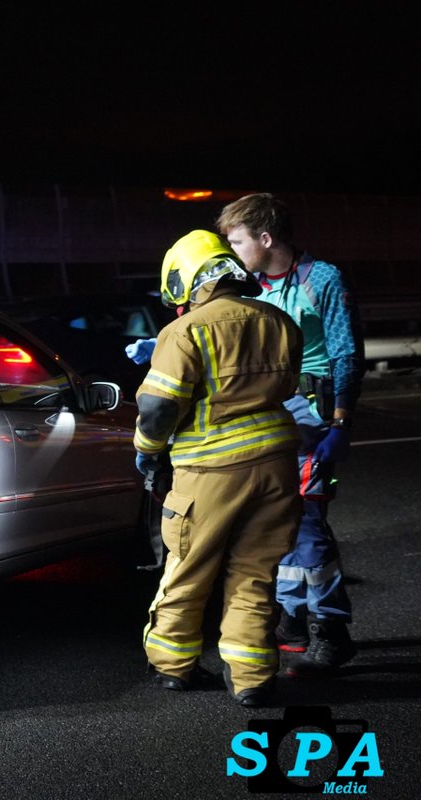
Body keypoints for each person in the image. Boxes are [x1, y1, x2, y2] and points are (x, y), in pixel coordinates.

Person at [135, 230, 302, 707]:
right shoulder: (278, 320)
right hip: (276, 468)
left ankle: (173, 667)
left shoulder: (185, 331)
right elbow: (288, 387)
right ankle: (251, 679)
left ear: (185, 280)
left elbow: (158, 409)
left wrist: (147, 449)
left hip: (208, 472)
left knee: (188, 568)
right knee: (254, 573)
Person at [216, 192, 364, 676]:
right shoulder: (250, 286)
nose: (232, 251)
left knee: (307, 526)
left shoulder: (321, 279)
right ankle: (293, 620)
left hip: (314, 415)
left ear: (265, 237)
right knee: (273, 520)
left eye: (237, 241)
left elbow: (345, 353)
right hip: (270, 413)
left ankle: (330, 629)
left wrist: (340, 424)